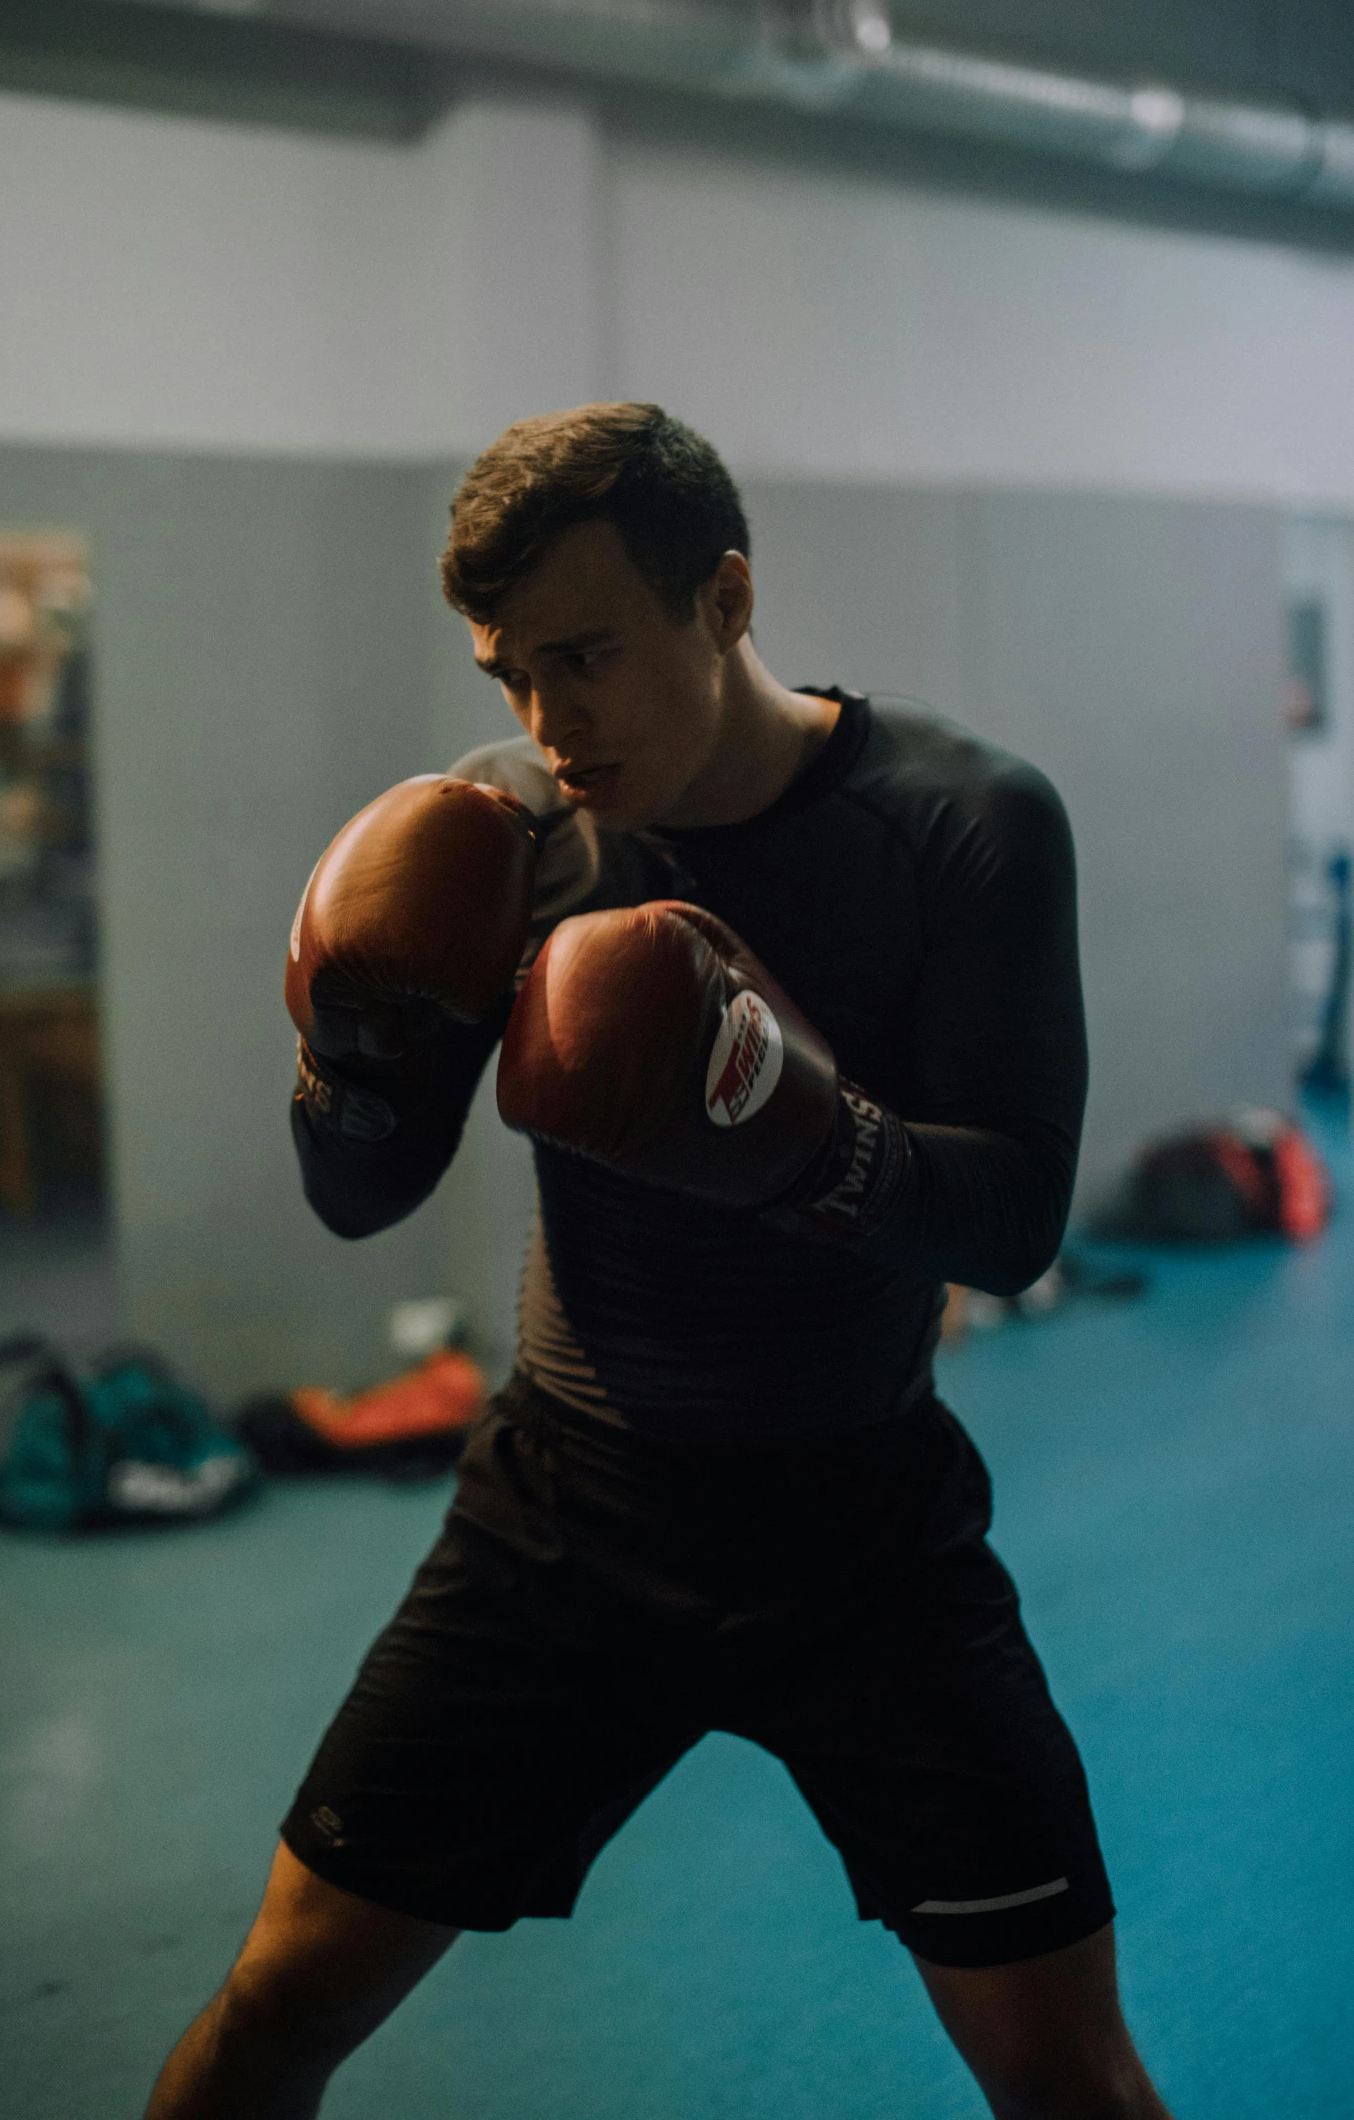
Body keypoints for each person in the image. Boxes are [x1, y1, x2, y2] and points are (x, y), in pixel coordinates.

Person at [147, 404, 1173, 2119]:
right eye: (506, 673)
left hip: (866, 1535)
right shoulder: (502, 834)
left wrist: (798, 1135)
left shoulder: (963, 822)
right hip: (564, 1514)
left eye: (585, 655)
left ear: (726, 598)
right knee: (274, 2006)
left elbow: (1016, 1217)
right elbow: (359, 1201)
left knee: (1067, 2073)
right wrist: (352, 1057)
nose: (547, 721)